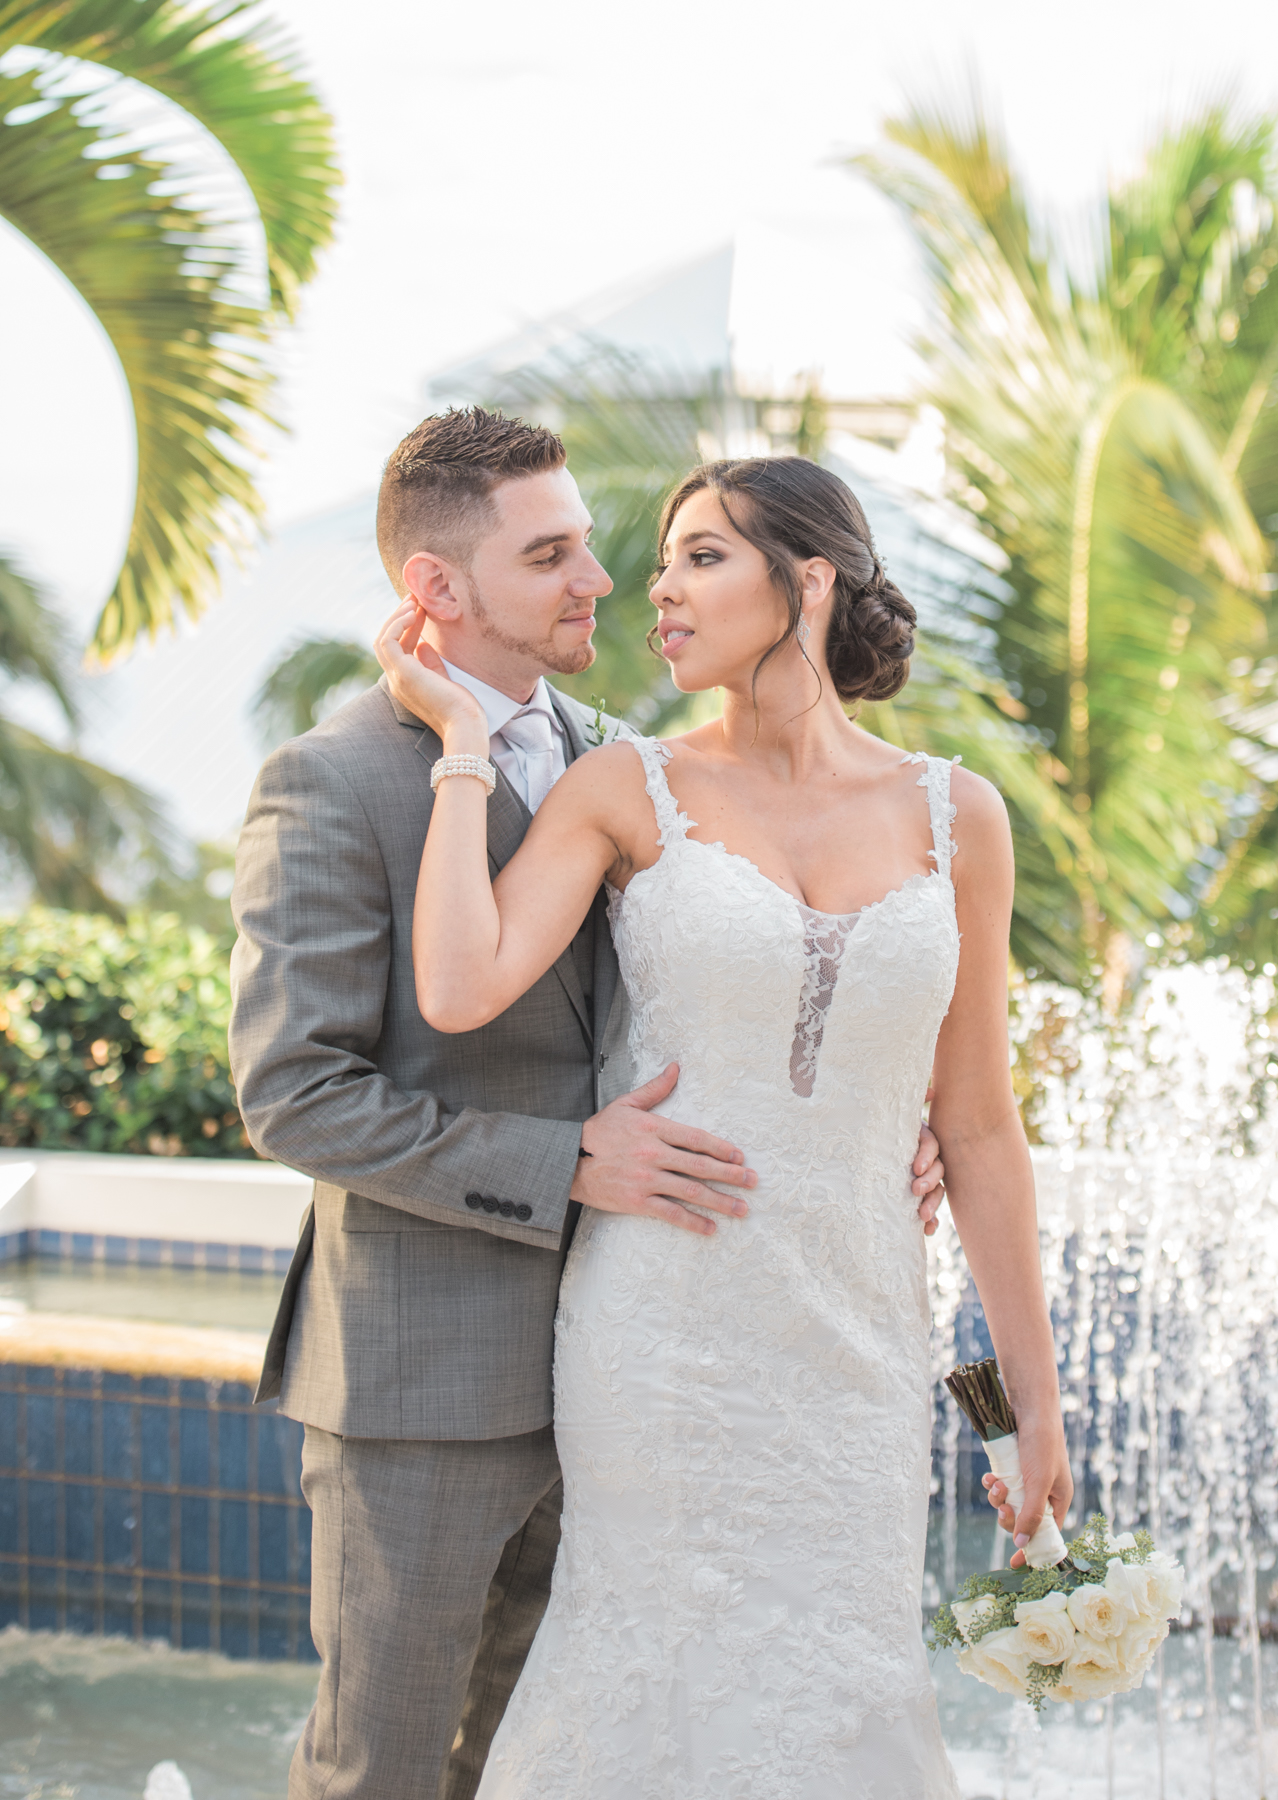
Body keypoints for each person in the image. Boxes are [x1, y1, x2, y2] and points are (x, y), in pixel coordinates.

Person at [228, 408, 947, 1800]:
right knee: (381, 1767)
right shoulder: (331, 780)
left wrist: (879, 1106)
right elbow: (296, 1096)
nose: (600, 580)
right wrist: (565, 1165)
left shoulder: (639, 762)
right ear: (438, 590)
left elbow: (724, 986)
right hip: (424, 1382)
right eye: (550, 553)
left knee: (548, 1762)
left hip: (645, 1368)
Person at [376, 453, 1073, 1798]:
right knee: (658, 1688)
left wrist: (1028, 1405)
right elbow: (460, 986)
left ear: (805, 582)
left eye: (703, 556)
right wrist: (462, 749)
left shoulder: (958, 816)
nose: (658, 588)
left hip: (865, 1344)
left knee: (843, 1691)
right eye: (664, 561)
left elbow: (981, 1133)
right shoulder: (626, 786)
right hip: (666, 1339)